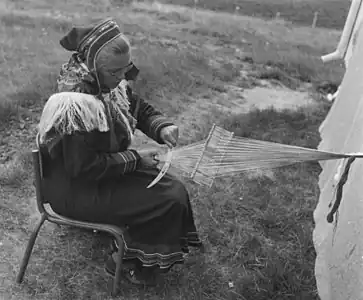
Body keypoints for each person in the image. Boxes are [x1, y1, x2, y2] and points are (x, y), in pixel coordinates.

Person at [37, 18, 202, 285]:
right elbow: (83, 168)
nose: (124, 77)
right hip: (75, 189)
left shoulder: (107, 81)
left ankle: (136, 247)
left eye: (127, 69)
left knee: (172, 188)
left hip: (97, 174)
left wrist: (162, 127)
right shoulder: (75, 104)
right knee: (166, 199)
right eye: (118, 72)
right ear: (93, 67)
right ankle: (125, 260)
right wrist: (136, 158)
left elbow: (135, 106)